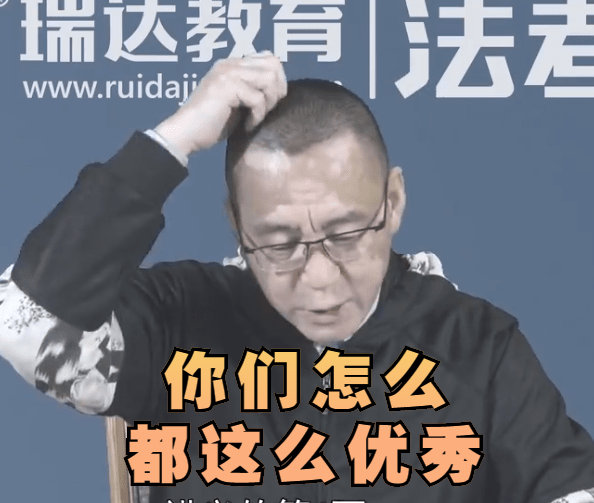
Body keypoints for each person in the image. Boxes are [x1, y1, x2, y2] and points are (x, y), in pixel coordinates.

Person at [1, 51, 593, 503]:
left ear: (393, 202)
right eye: (280, 245)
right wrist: (174, 138)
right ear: (237, 225)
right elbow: (24, 323)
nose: (318, 279)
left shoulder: (475, 344)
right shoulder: (180, 316)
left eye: (346, 235)